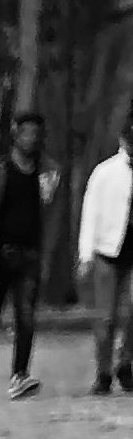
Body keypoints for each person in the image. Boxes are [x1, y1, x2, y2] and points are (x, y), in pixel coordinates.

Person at [0, 108, 59, 399]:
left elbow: (51, 217)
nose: (31, 139)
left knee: (26, 316)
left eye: (36, 134)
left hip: (30, 255)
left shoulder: (48, 174)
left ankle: (19, 374)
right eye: (26, 133)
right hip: (1, 253)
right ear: (16, 135)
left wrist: (45, 257)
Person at [79, 106, 133, 394]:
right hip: (108, 251)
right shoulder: (105, 172)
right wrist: (86, 254)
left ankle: (126, 362)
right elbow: (91, 213)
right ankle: (103, 372)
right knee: (106, 316)